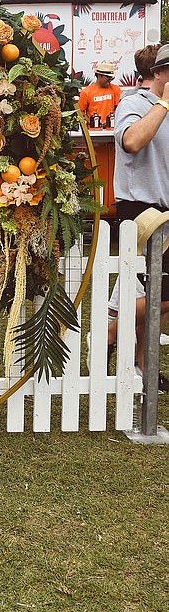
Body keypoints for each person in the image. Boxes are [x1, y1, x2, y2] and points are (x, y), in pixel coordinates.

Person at [112, 42, 169, 388]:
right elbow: (132, 142)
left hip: (164, 207)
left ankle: (142, 367)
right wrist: (163, 103)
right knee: (160, 293)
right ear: (159, 72)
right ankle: (107, 334)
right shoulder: (134, 103)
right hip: (141, 209)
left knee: (152, 292)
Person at [78, 61, 121, 126]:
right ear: (99, 75)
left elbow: (119, 109)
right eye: (108, 77)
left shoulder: (116, 89)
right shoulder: (86, 92)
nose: (110, 80)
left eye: (111, 78)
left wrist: (110, 121)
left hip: (112, 129)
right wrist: (91, 122)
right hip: (93, 130)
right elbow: (80, 112)